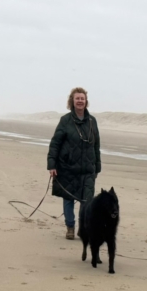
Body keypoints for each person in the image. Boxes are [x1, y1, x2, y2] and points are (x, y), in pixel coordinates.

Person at [47, 88, 101, 240]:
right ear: (72, 100)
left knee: (87, 201)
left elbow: (96, 145)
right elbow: (55, 143)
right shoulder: (65, 120)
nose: (80, 101)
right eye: (77, 98)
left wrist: (97, 167)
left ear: (86, 101)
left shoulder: (92, 121)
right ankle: (70, 227)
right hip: (68, 167)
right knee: (68, 199)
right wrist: (52, 165)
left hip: (88, 169)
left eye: (82, 98)